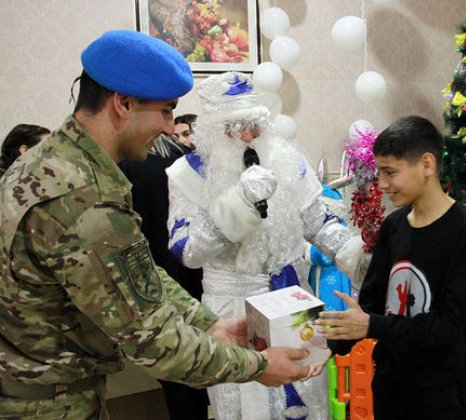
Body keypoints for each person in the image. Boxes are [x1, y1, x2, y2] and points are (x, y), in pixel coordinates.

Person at [0, 29, 311, 419]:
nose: (169, 127)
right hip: (49, 404)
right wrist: (260, 367)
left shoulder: (51, 162)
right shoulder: (83, 199)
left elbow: (134, 271)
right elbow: (153, 341)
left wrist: (207, 322)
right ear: (123, 103)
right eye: (165, 110)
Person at [165, 71, 367, 420]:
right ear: (215, 132)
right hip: (232, 312)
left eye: (255, 124)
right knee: (242, 405)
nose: (248, 135)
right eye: (237, 126)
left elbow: (319, 221)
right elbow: (187, 252)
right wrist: (238, 204)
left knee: (306, 393)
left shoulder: (287, 159)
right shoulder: (187, 174)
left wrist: (354, 255)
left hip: (293, 297)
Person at [316, 115, 466, 419]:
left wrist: (372, 325)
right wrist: (326, 346)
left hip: (442, 392)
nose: (382, 184)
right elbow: (371, 304)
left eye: (390, 172)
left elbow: (448, 326)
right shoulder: (394, 226)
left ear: (427, 164)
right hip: (391, 383)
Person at [119, 133, 208, 420]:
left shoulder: (124, 165)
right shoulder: (182, 157)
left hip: (153, 277)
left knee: (176, 373)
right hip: (197, 274)